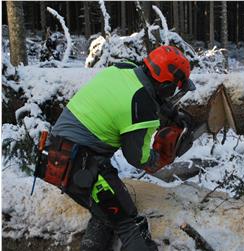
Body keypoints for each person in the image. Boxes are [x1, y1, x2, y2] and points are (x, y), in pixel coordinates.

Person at [45, 45, 195, 251]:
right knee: (129, 223)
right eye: (175, 88)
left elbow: (125, 102)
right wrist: (159, 158)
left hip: (55, 152)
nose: (174, 93)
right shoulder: (142, 105)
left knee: (107, 212)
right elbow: (136, 158)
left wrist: (166, 112)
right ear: (167, 85)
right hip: (79, 164)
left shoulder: (124, 69)